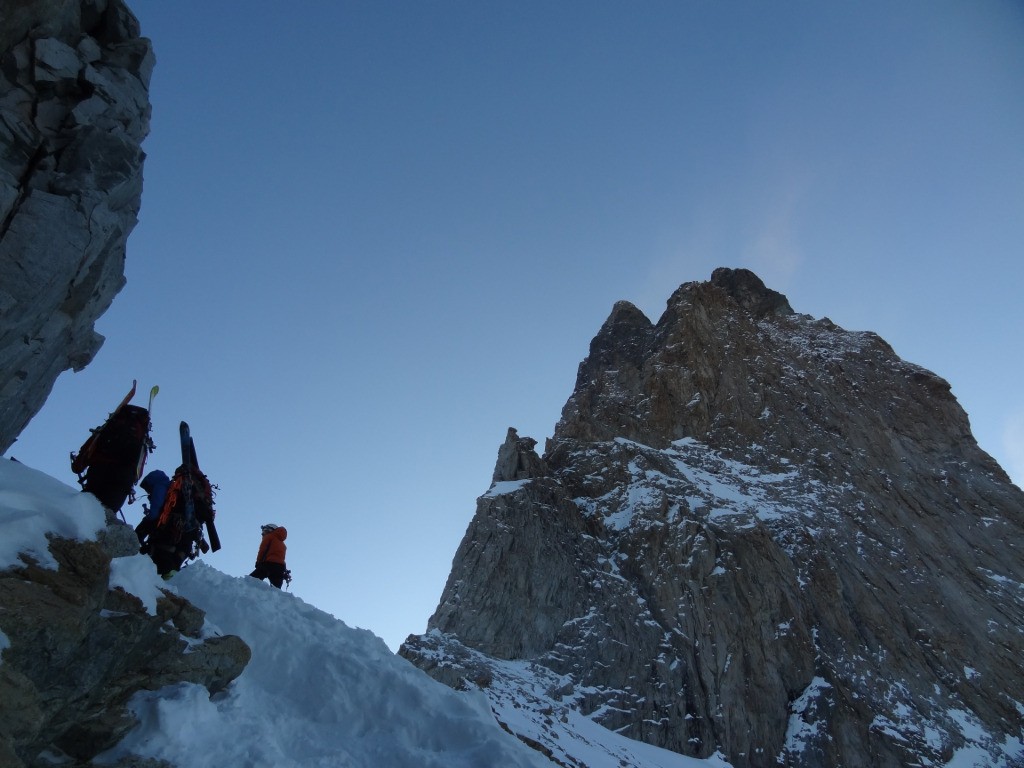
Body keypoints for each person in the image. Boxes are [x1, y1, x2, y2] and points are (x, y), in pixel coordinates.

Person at [135, 469, 170, 553]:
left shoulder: (159, 487)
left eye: (147, 488)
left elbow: (156, 508)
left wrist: (148, 518)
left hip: (159, 520)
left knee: (136, 534)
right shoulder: (165, 485)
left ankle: (132, 545)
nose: (147, 491)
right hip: (165, 521)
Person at [250, 523, 289, 588]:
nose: (262, 533)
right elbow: (280, 559)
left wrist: (258, 562)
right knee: (276, 590)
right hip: (280, 568)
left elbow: (262, 550)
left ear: (271, 529)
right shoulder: (283, 545)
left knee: (251, 581)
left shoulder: (269, 537)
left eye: (265, 530)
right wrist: (284, 572)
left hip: (268, 564)